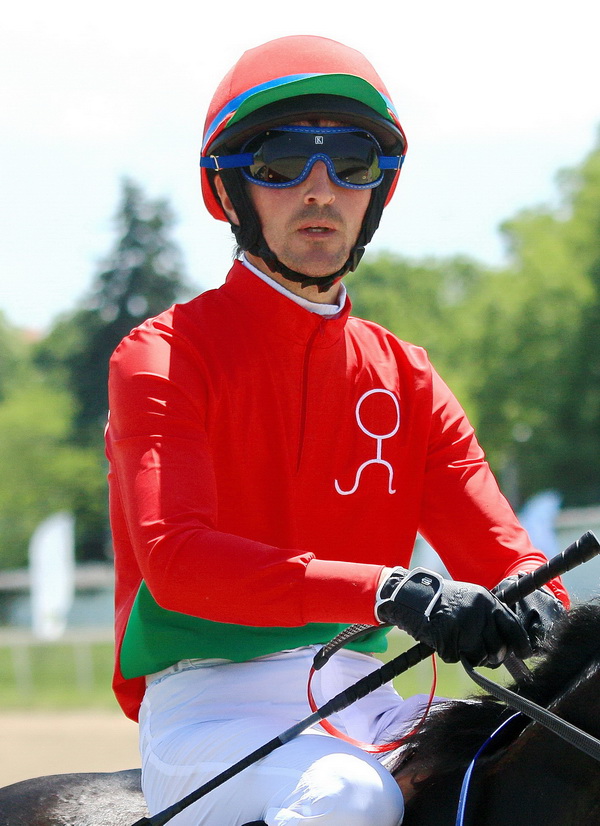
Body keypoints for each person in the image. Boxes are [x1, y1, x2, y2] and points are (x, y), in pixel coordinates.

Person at [106, 35, 569, 826]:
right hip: (210, 709)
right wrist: (389, 592)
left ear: (377, 191)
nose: (319, 190)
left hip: (368, 699)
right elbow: (178, 562)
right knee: (348, 798)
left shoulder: (408, 376)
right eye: (282, 161)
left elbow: (506, 555)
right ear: (228, 191)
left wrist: (539, 606)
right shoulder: (162, 355)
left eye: (352, 163)